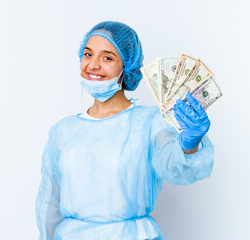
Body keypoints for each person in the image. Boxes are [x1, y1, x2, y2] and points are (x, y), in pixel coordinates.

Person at [35, 21, 214, 240]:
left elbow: (176, 167)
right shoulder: (63, 132)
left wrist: (189, 143)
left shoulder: (148, 123)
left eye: (107, 57)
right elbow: (49, 204)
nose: (93, 65)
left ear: (126, 66)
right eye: (88, 54)